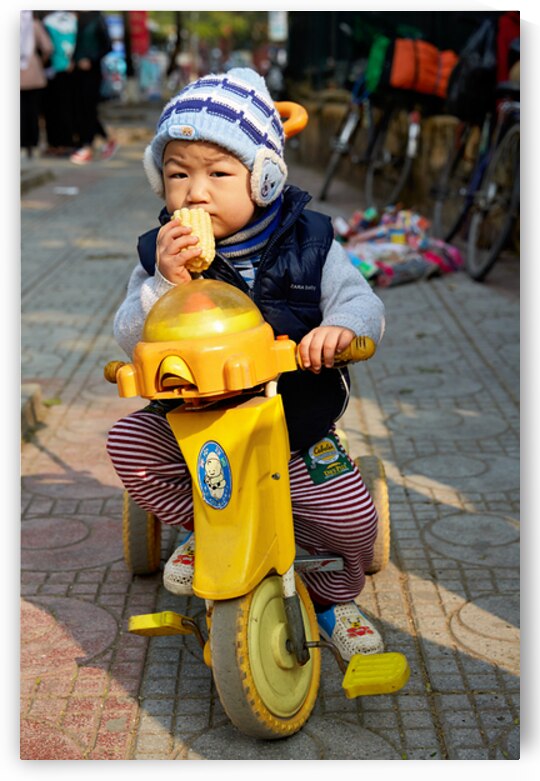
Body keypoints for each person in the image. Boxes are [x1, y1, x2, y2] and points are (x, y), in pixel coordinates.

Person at [106, 68, 387, 662]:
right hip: (194, 423)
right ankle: (203, 530)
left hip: (294, 422)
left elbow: (362, 302)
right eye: (178, 174)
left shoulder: (310, 243)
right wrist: (164, 283)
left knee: (353, 520)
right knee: (129, 443)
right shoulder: (160, 255)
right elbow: (130, 333)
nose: (195, 193)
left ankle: (335, 598)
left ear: (264, 178)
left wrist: (341, 329)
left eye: (218, 173)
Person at [70, 11, 118, 165]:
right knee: (80, 108)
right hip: (76, 72)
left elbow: (107, 46)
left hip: (92, 72)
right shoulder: (76, 19)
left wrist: (90, 59)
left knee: (89, 108)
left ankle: (88, 147)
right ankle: (106, 141)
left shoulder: (97, 19)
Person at [42, 10, 78, 157]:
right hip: (69, 70)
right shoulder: (73, 21)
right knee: (67, 108)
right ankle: (67, 143)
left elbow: (47, 48)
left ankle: (56, 144)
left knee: (53, 110)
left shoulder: (47, 22)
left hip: (53, 72)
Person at [20, 11, 53, 158]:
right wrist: (41, 61)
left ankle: (20, 144)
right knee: (33, 111)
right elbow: (48, 47)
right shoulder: (34, 25)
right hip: (33, 72)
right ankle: (33, 144)